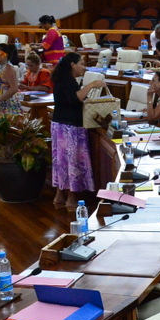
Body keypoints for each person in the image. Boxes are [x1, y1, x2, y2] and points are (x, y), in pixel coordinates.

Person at [51, 53, 105, 209]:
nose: (84, 66)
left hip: (59, 125)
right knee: (72, 163)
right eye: (81, 63)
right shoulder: (68, 80)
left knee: (61, 162)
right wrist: (91, 85)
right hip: (70, 127)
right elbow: (76, 98)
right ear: (73, 65)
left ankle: (59, 197)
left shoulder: (62, 78)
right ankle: (71, 199)